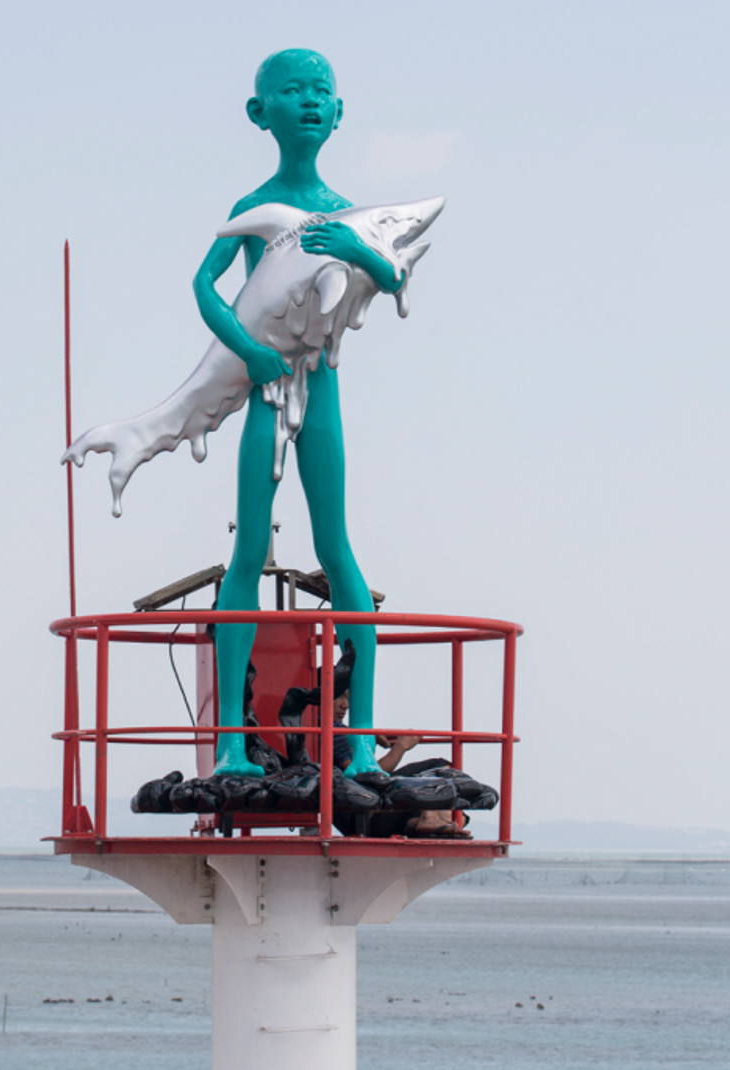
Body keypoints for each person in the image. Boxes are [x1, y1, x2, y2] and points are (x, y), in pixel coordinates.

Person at [195, 49, 407, 779]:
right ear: (261, 112)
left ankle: (357, 741)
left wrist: (357, 248)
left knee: (337, 547)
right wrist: (247, 351)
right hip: (266, 388)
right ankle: (230, 741)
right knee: (248, 550)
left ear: (340, 112)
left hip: (323, 390)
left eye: (322, 90)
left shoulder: (347, 210)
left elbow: (392, 277)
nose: (310, 101)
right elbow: (203, 284)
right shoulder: (252, 210)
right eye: (292, 90)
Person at [332, 693, 471, 839]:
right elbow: (363, 778)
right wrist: (400, 747)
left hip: (355, 815)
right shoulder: (333, 732)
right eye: (339, 696)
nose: (345, 705)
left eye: (348, 698)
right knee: (439, 767)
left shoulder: (332, 730)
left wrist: (368, 736)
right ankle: (429, 819)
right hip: (363, 815)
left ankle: (427, 821)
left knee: (460, 816)